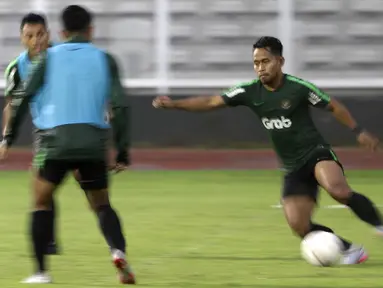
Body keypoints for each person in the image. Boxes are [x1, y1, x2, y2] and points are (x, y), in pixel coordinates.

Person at [152, 36, 383, 265]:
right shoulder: (249, 91)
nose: (260, 68)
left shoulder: (298, 88)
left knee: (338, 190)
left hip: (316, 153)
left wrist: (358, 130)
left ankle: (379, 226)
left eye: (265, 61)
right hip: (292, 166)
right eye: (256, 63)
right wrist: (174, 104)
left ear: (280, 61)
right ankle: (348, 249)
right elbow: (212, 102)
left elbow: (333, 105)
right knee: (299, 225)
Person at [1, 5, 135, 284]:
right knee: (101, 205)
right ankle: (117, 252)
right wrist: (121, 150)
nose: (36, 40)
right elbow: (120, 106)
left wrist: (8, 138)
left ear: (58, 33)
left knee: (40, 200)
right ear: (91, 30)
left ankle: (40, 271)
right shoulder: (105, 59)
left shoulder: (47, 58)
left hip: (53, 142)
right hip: (92, 142)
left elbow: (21, 99)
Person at [3, 12, 60, 255]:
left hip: (71, 125)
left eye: (40, 35)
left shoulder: (62, 58)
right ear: (21, 38)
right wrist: (6, 137)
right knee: (42, 186)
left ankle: (116, 247)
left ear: (48, 34)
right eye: (29, 36)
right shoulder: (17, 68)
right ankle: (49, 240)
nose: (36, 40)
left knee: (48, 184)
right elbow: (11, 106)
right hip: (44, 131)